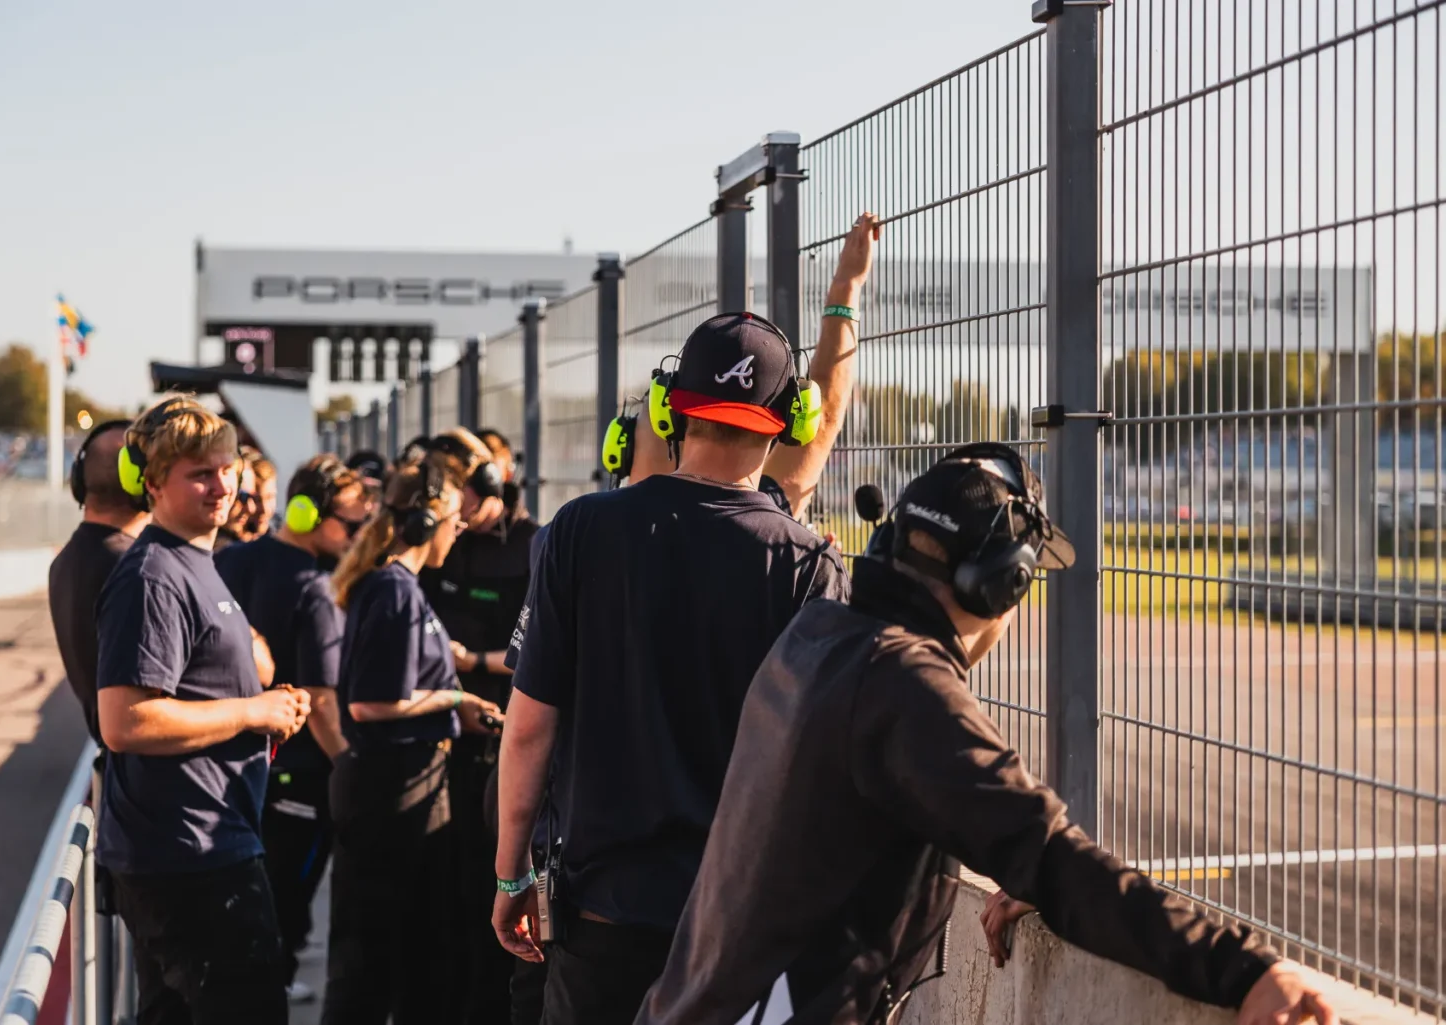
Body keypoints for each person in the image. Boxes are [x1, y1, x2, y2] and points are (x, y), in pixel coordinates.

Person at [631, 443, 1336, 1025]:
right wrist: (1245, 968)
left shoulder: (822, 634)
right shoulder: (903, 682)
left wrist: (1011, 854)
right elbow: (1054, 855)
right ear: (1003, 584)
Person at [492, 311, 851, 1025]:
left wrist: (512, 873)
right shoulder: (808, 563)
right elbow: (823, 766)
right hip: (739, 920)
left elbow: (529, 726)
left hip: (603, 911)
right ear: (791, 422)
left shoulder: (581, 531)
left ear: (669, 406)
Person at [95, 396, 312, 1025]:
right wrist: (252, 713)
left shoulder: (195, 562)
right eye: (200, 474)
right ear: (154, 483)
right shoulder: (153, 576)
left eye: (227, 468)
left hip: (200, 845)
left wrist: (266, 697)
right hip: (190, 859)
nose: (223, 487)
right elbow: (127, 721)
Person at [321, 455, 504, 1025]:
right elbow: (371, 703)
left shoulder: (399, 588)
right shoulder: (394, 591)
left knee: (409, 954)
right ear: (428, 522)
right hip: (388, 796)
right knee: (373, 963)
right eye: (454, 520)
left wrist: (459, 711)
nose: (460, 530)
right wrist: (453, 701)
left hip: (402, 790)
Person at [213, 455, 373, 1005]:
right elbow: (323, 701)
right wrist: (351, 766)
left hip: (229, 764)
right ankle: (268, 995)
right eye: (352, 525)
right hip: (299, 776)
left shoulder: (230, 559)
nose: (358, 537)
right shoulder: (316, 590)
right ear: (307, 513)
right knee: (285, 900)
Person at [605, 213, 880, 522]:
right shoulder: (790, 547)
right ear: (793, 425)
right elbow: (825, 416)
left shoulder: (579, 527)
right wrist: (846, 287)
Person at [419, 427, 539, 1025]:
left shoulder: (532, 545)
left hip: (501, 742)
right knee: (448, 901)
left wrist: (475, 663)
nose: (450, 504)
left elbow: (538, 652)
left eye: (457, 489)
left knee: (491, 890)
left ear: (490, 481)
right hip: (441, 741)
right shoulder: (442, 541)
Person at [49, 419, 148, 744]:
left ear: (79, 482)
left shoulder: (64, 561)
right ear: (143, 482)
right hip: (149, 770)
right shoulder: (134, 567)